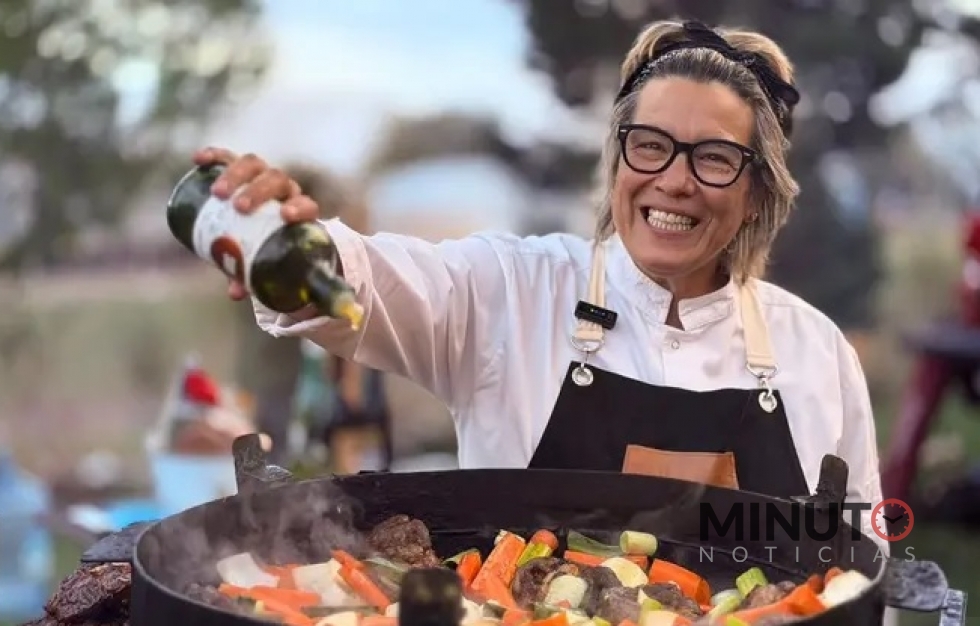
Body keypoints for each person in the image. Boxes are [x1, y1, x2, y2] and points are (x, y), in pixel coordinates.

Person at [194, 19, 885, 548]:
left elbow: (860, 568)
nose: (675, 180)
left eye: (714, 158)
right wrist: (290, 246)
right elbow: (367, 285)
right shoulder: (513, 292)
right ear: (618, 162)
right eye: (650, 146)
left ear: (758, 191)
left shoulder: (817, 354)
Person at [233, 163, 391, 471]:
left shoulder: (324, 253)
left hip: (317, 394)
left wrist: (353, 388)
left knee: (338, 474)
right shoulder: (271, 257)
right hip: (286, 390)